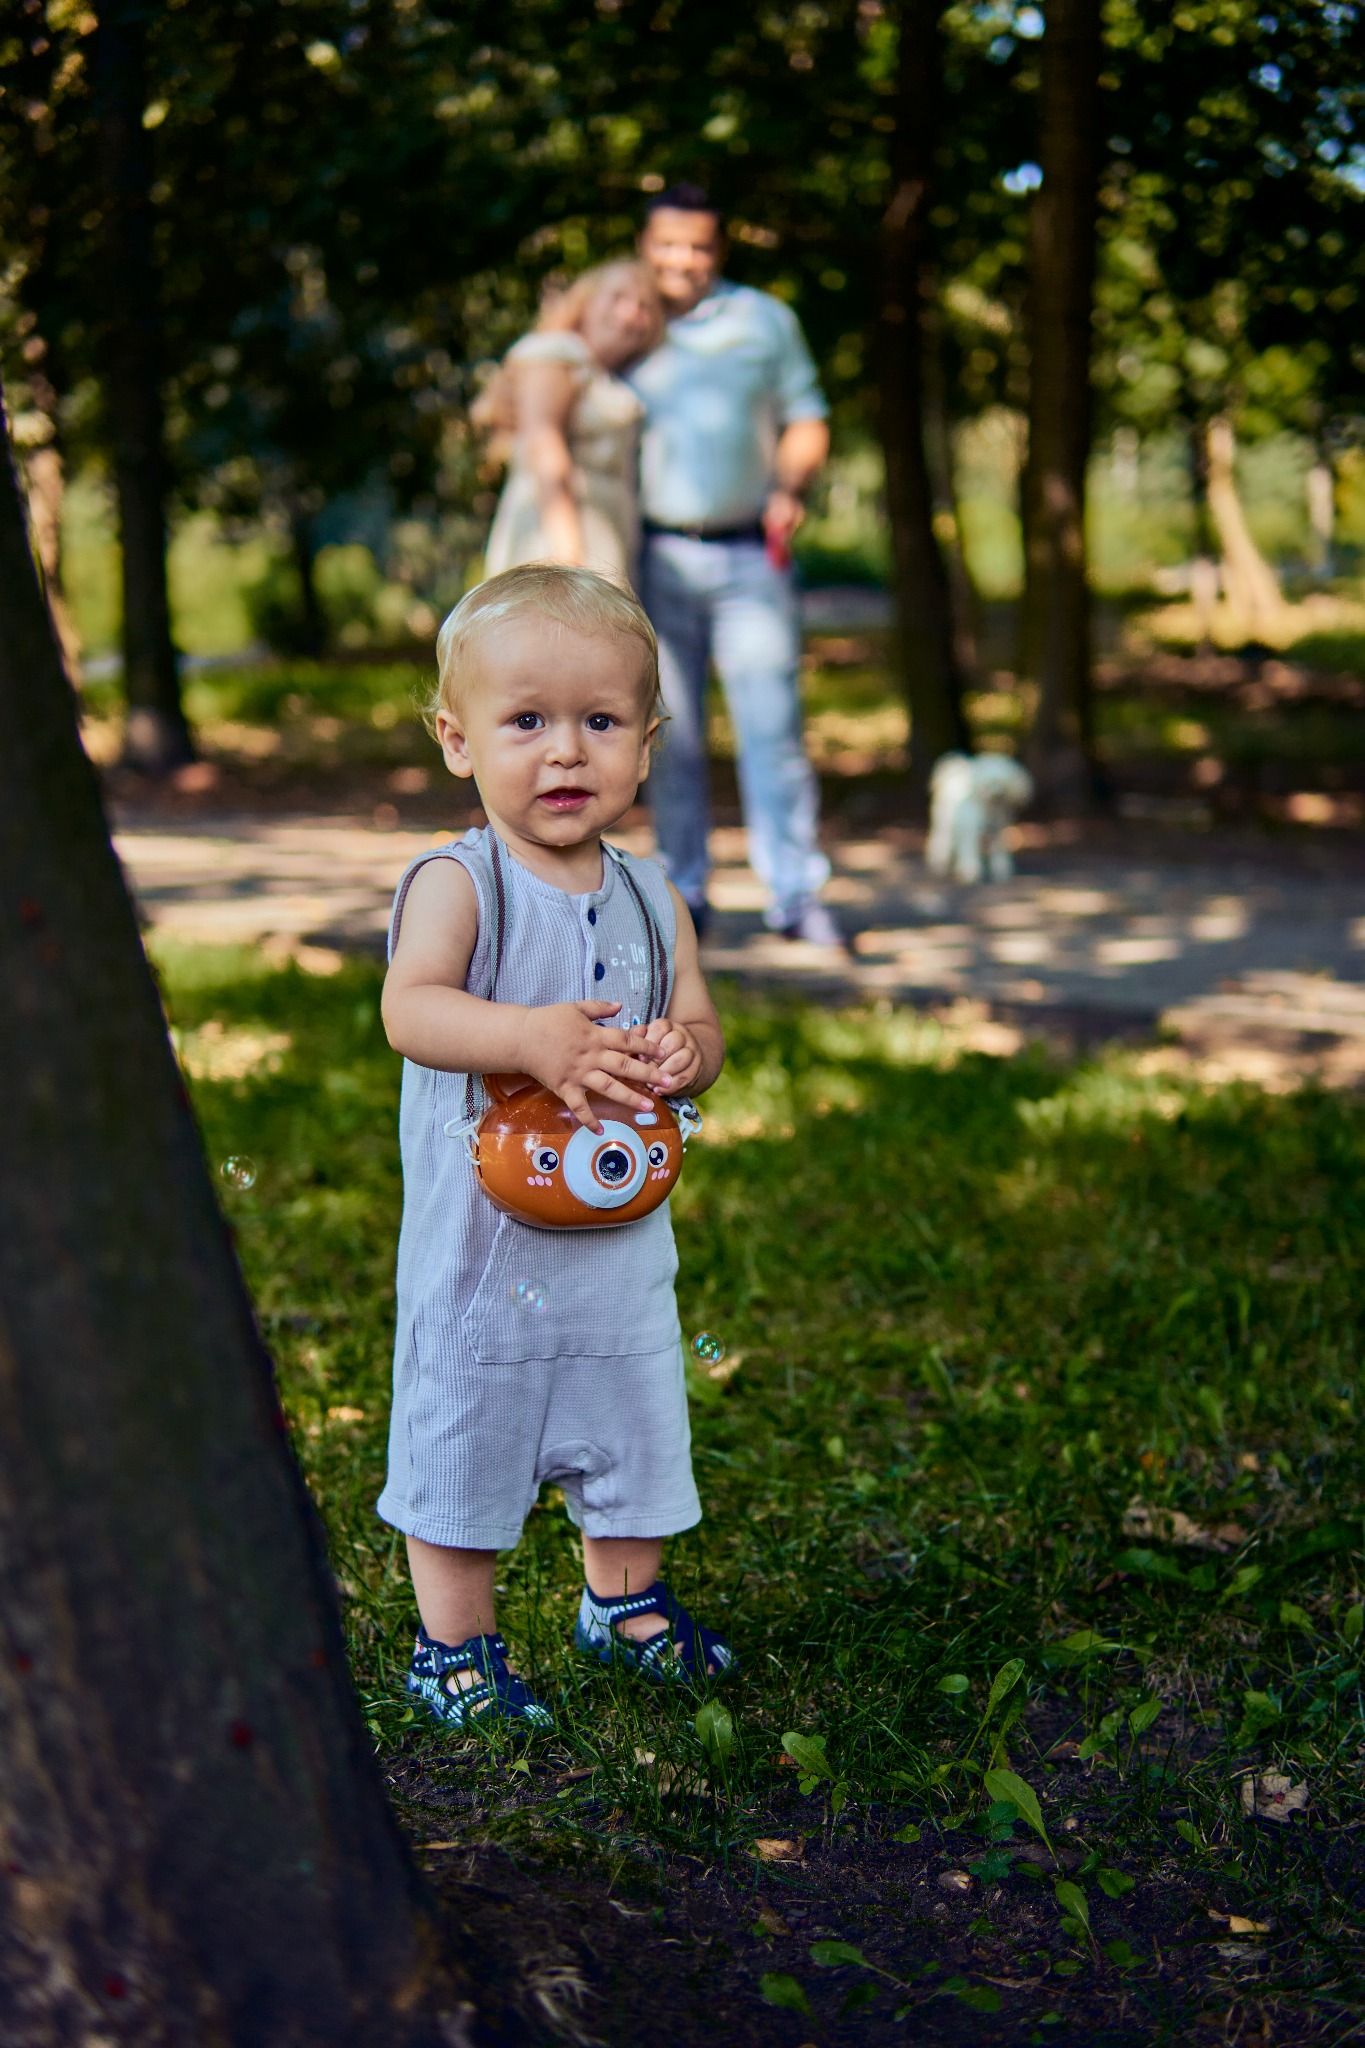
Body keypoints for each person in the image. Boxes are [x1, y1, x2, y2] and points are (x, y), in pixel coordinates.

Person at [379, 562, 733, 1732]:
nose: (567, 750)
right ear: (458, 740)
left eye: (601, 721)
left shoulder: (652, 895)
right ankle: (454, 1644)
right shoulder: (461, 881)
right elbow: (410, 1009)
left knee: (632, 1415)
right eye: (526, 720)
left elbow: (699, 1022)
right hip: (483, 1257)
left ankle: (623, 1601)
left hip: (617, 1249)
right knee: (464, 1432)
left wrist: (687, 1050)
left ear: (647, 743)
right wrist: (526, 1035)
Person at [631, 185, 838, 943]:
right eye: (667, 244)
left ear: (718, 251)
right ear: (644, 247)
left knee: (773, 730)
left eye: (698, 246)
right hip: (651, 556)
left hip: (752, 553)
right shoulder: (623, 319)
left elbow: (807, 417)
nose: (682, 259)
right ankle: (683, 891)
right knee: (668, 735)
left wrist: (790, 485)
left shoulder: (763, 320)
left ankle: (795, 895)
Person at [477, 261, 664, 586]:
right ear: (586, 303)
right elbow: (544, 445)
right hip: (558, 536)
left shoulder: (606, 377)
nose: (630, 313)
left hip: (604, 539)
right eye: (617, 297)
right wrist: (567, 555)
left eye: (644, 306)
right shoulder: (556, 352)